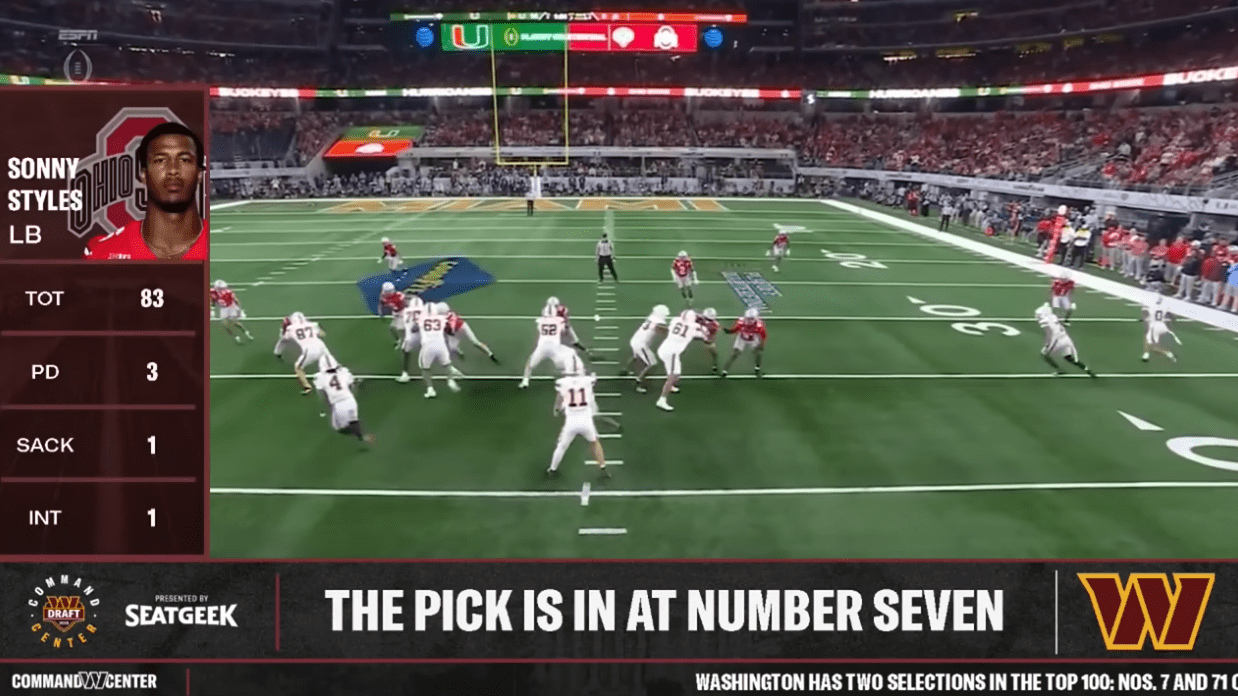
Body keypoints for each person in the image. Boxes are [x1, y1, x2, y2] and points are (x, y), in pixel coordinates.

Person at [84, 122, 208, 259]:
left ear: (199, 174)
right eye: (160, 160)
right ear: (143, 175)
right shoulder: (102, 253)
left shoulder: (221, 247)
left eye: (185, 160)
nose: (173, 170)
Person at [547, 358, 609, 479]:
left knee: (561, 446)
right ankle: (603, 469)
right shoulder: (588, 381)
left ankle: (552, 469)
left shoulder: (562, 382)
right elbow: (592, 377)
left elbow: (559, 398)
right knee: (595, 442)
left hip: (571, 421)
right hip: (586, 420)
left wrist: (557, 409)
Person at [314, 363, 375, 445]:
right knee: (353, 420)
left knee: (338, 428)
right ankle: (360, 436)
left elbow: (322, 395)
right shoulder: (343, 372)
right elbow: (351, 386)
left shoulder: (322, 377)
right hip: (349, 399)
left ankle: (359, 435)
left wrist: (325, 407)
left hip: (338, 403)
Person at [1035, 304, 1096, 377]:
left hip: (1057, 340)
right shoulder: (1053, 316)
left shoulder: (1044, 320)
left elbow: (1049, 332)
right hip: (1066, 338)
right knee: (1069, 357)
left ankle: (1059, 370)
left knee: (1044, 354)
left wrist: (1048, 344)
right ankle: (1086, 369)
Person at [720, 308, 767, 377]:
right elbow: (736, 329)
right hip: (741, 338)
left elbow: (763, 335)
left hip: (753, 338)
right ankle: (725, 371)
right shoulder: (741, 321)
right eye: (748, 318)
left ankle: (757, 368)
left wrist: (761, 345)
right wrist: (729, 331)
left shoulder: (759, 324)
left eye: (751, 318)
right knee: (735, 354)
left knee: (758, 353)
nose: (749, 320)